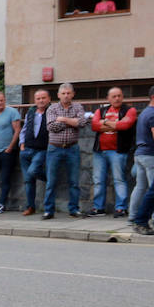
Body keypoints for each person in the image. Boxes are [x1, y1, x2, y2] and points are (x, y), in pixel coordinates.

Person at [89, 88, 136, 217]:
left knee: (119, 179)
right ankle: (98, 208)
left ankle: (121, 208)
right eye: (114, 96)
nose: (117, 99)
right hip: (100, 151)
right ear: (108, 98)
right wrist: (115, 124)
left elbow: (125, 126)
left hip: (118, 151)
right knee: (98, 180)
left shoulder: (129, 110)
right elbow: (94, 126)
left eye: (119, 96)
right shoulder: (101, 110)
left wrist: (104, 122)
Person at [43, 82, 86, 219]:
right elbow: (51, 127)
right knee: (51, 181)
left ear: (73, 94)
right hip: (54, 148)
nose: (66, 96)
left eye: (68, 93)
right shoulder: (52, 108)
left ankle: (74, 209)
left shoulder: (78, 107)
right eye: (63, 93)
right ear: (58, 95)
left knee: (74, 181)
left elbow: (82, 123)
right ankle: (49, 210)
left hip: (72, 148)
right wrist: (71, 122)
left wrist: (62, 119)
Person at [130, 84, 154, 234]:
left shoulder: (150, 111)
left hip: (145, 153)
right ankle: (141, 220)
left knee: (144, 188)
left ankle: (136, 218)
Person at [20, 89, 51, 215]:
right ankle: (30, 207)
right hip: (26, 150)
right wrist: (21, 144)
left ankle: (50, 179)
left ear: (49, 99)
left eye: (43, 98)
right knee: (28, 180)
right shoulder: (31, 111)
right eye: (38, 98)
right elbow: (24, 128)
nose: (41, 101)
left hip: (42, 150)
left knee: (33, 171)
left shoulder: (52, 111)